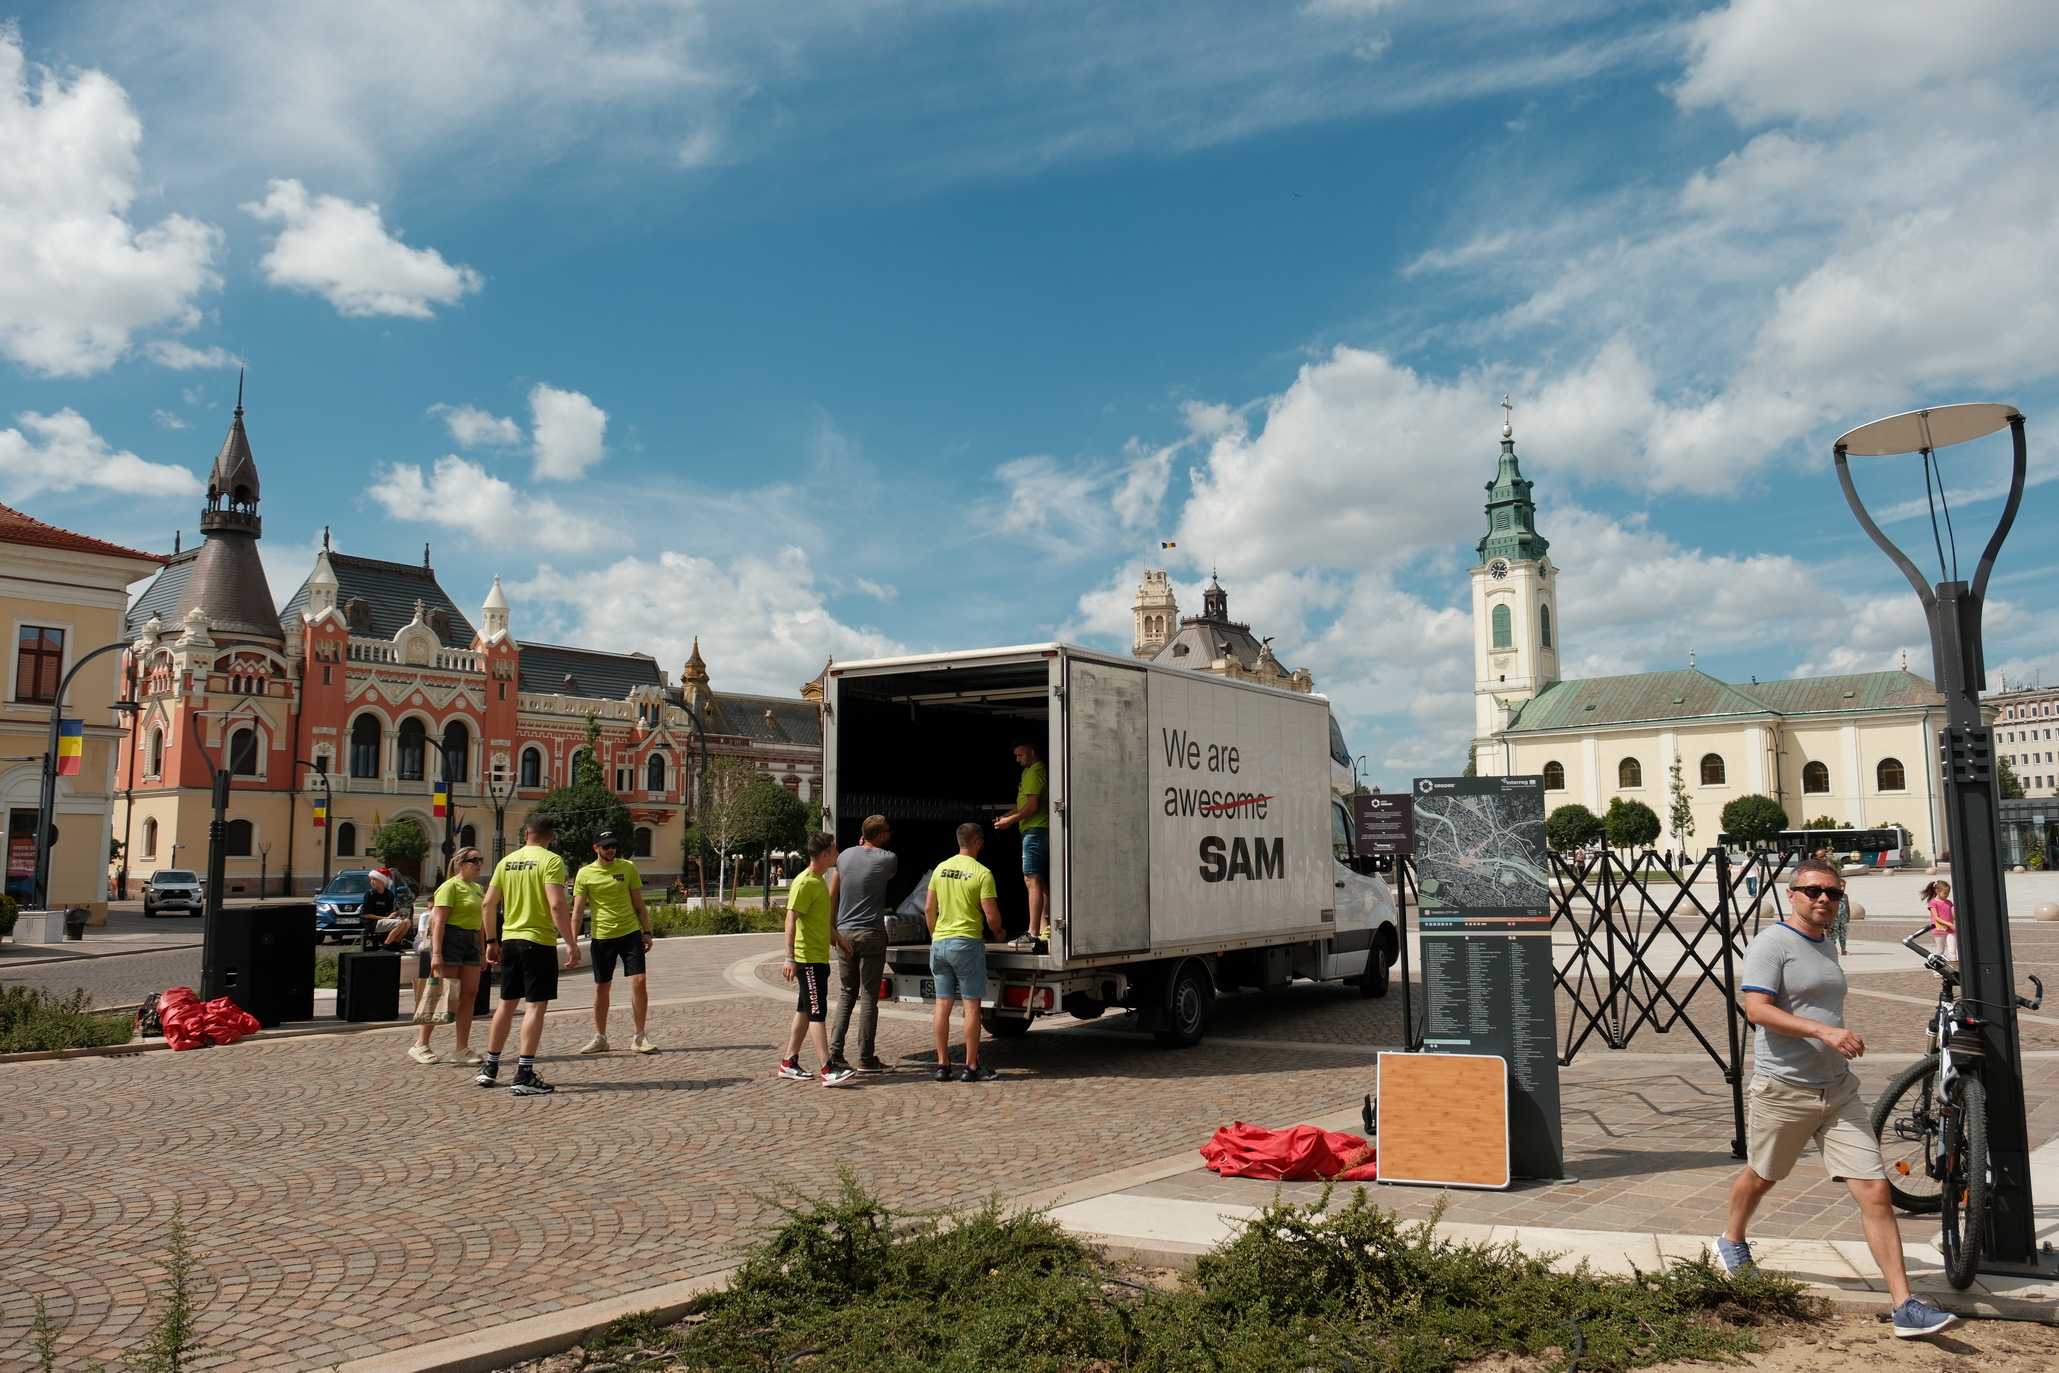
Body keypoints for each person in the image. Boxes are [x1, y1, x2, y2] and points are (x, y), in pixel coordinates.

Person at [1717, 857, 1955, 1338]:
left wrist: (1831, 1041)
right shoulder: (1771, 943)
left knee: (1875, 1190)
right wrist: (1823, 1031)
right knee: (1763, 1175)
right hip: (1784, 1088)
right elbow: (1757, 1009)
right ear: (1791, 893)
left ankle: (1905, 1304)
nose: (1823, 899)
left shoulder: (1827, 942)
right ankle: (1732, 1239)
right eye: (1813, 891)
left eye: (1833, 892)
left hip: (1839, 1089)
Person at [477, 814, 580, 1096]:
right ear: (552, 836)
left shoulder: (506, 861)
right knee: (535, 1006)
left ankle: (490, 1067)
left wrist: (491, 941)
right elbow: (557, 905)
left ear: (525, 834)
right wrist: (570, 942)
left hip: (510, 940)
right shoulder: (551, 860)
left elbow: (487, 905)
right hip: (538, 941)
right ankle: (523, 1073)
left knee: (506, 1004)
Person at [926, 821, 1006, 1082]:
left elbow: (929, 909)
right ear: (978, 842)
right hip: (966, 943)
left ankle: (942, 1065)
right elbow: (991, 915)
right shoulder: (982, 873)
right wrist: (999, 933)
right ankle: (971, 1066)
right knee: (971, 1006)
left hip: (940, 943)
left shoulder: (940, 868)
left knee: (942, 1005)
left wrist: (934, 935)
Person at [777, 833, 855, 1086]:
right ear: (824, 855)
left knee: (804, 1008)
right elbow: (791, 918)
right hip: (807, 959)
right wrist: (790, 957)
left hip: (818, 957)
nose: (837, 854)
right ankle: (827, 1068)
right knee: (816, 1012)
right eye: (834, 851)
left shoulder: (819, 881)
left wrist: (840, 940)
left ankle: (789, 1062)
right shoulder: (804, 883)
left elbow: (820, 920)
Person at [824, 814, 897, 1075]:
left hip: (844, 932)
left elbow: (834, 893)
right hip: (871, 934)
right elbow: (888, 876)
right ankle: (866, 1058)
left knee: (846, 994)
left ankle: (835, 1053)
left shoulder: (843, 857)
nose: (890, 834)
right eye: (887, 831)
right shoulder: (888, 858)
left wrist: (833, 932)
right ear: (879, 836)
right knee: (868, 998)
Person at [574, 830, 655, 1055]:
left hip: (629, 933)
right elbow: (578, 911)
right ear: (596, 848)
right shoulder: (585, 874)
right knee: (602, 986)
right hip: (602, 937)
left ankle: (640, 1036)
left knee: (639, 981)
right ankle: (600, 1037)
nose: (610, 849)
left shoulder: (628, 867)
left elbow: (638, 901)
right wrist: (572, 943)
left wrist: (646, 931)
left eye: (613, 845)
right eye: (606, 845)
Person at [408, 849, 488, 1065]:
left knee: (470, 994)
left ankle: (461, 1048)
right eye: (474, 860)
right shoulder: (449, 886)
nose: (479, 863)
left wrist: (482, 950)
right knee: (440, 992)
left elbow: (480, 922)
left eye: (480, 860)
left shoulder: (479, 889)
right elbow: (439, 922)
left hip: (470, 941)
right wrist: (437, 953)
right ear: (461, 864)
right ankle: (420, 1044)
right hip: (450, 939)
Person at [991, 740, 1048, 950]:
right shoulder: (1028, 772)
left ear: (1031, 752)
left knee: (1031, 879)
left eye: (1020, 755)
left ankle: (1032, 932)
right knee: (1039, 882)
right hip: (1032, 830)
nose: (1017, 760)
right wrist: (1005, 816)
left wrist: (1010, 821)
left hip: (1036, 831)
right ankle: (1043, 928)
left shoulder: (1035, 772)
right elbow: (1021, 803)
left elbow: (1032, 807)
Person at [1922, 880, 1957, 961]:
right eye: (1945, 893)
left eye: (1948, 892)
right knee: (1940, 950)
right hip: (1939, 929)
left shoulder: (1949, 902)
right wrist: (1949, 923)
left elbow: (1953, 915)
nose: (1947, 895)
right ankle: (1936, 969)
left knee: (1952, 950)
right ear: (1937, 891)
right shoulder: (1933, 903)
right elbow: (1937, 918)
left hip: (1950, 928)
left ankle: (1955, 969)